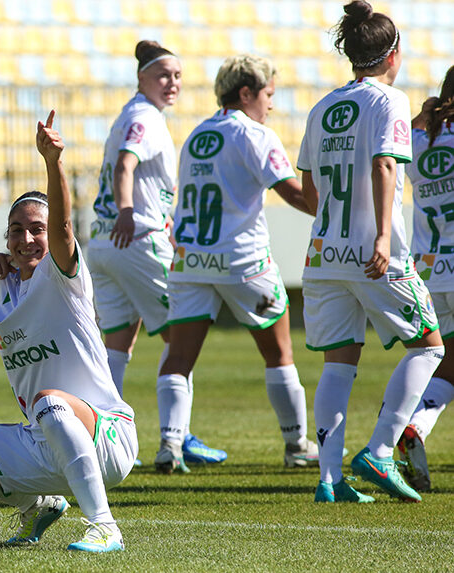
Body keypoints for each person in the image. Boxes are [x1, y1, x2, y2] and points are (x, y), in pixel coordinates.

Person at [0, 111, 137, 553]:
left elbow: (64, 230)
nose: (27, 239)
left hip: (107, 437)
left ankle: (104, 526)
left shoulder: (62, 275)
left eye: (36, 229)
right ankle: (39, 504)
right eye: (17, 231)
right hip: (43, 437)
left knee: (49, 402)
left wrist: (53, 161)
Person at [298, 0, 444, 503]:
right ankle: (381, 451)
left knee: (338, 362)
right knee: (430, 345)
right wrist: (382, 235)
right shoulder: (390, 101)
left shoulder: (321, 107)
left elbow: (310, 189)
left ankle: (329, 480)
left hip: (324, 253)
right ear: (393, 53)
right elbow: (386, 166)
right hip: (372, 252)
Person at [156, 54, 319, 474]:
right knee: (279, 352)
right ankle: (296, 444)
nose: (271, 105)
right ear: (247, 93)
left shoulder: (197, 134)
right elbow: (299, 196)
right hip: (242, 261)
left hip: (190, 259)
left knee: (179, 357)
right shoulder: (255, 135)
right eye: (268, 95)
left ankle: (169, 445)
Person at [88, 40, 226, 467]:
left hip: (104, 243)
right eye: (164, 75)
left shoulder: (131, 114)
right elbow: (125, 164)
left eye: (178, 75)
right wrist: (129, 211)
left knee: (117, 343)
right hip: (138, 239)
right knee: (180, 339)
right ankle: (175, 439)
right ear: (142, 77)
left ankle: (98, 433)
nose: (173, 83)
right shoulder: (144, 117)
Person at [398, 64, 454, 492]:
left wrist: (422, 118)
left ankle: (414, 423)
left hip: (430, 271)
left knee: (447, 365)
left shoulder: (418, 141)